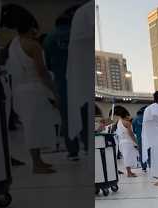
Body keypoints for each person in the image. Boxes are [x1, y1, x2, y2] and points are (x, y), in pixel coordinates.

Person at [7, 15, 60, 174]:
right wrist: (54, 91)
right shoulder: (33, 46)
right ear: (32, 29)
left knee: (31, 126)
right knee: (34, 127)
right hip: (34, 90)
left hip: (20, 90)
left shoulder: (14, 44)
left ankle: (39, 161)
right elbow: (42, 72)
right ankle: (37, 164)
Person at [44, 11, 80, 160]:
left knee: (66, 117)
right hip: (78, 79)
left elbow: (47, 63)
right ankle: (88, 148)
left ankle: (73, 151)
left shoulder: (49, 38)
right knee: (83, 114)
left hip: (61, 81)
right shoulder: (76, 34)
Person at [67, 0, 94, 156]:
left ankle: (80, 149)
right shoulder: (88, 10)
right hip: (85, 72)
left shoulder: (81, 12)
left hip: (80, 74)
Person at [115, 106, 138, 177]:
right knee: (128, 157)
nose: (129, 116)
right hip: (127, 142)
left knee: (127, 157)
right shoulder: (127, 123)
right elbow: (131, 134)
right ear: (125, 115)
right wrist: (136, 142)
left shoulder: (119, 121)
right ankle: (129, 173)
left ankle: (129, 171)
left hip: (121, 141)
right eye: (128, 115)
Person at [132, 106, 147, 170]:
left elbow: (134, 131)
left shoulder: (134, 119)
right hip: (147, 137)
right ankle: (151, 165)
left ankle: (144, 167)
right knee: (149, 152)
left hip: (139, 138)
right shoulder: (146, 118)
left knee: (141, 153)